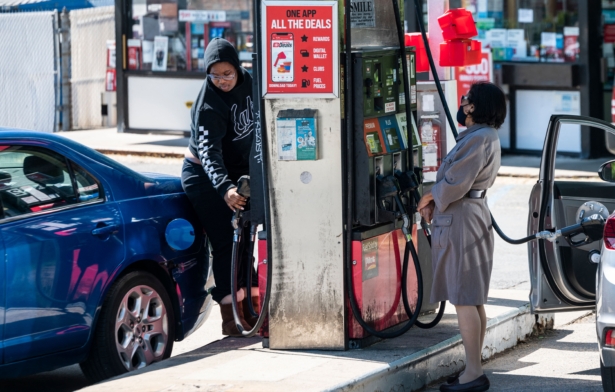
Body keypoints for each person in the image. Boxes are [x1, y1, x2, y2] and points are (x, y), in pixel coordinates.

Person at [417, 82, 505, 392]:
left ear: (473, 107)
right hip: (470, 214)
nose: (462, 102)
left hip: (462, 218)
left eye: (466, 99)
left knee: (464, 297)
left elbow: (456, 183)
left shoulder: (477, 138)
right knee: (472, 296)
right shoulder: (484, 136)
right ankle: (472, 367)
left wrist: (429, 197)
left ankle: (474, 374)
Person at [181, 38, 258, 337]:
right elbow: (208, 154)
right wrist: (225, 188)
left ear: (238, 68)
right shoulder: (207, 105)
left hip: (240, 174)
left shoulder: (250, 81)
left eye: (228, 73)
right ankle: (233, 318)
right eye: (215, 75)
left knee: (247, 239)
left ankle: (251, 306)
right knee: (227, 241)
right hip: (205, 178)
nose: (222, 81)